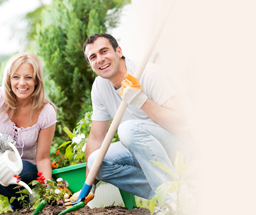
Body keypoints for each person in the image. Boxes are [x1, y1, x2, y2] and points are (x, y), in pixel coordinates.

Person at [74, 33, 189, 204]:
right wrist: (89, 184)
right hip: (143, 149)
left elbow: (182, 127)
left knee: (128, 129)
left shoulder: (149, 74)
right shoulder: (99, 86)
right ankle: (168, 196)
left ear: (118, 51)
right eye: (93, 57)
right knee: (96, 162)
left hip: (181, 146)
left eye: (104, 51)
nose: (100, 59)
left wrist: (142, 101)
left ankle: (175, 201)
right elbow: (96, 137)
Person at [0, 52, 57, 214]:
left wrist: (49, 193)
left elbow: (43, 157)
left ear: (36, 80)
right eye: (16, 77)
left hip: (24, 165)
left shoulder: (46, 112)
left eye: (28, 77)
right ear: (9, 79)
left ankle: (22, 204)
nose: (22, 83)